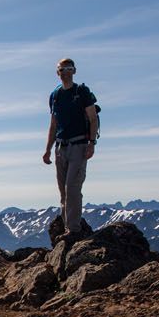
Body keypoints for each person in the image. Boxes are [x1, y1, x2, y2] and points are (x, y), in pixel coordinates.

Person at [42, 58, 99, 240]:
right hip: (61, 147)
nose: (65, 72)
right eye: (62, 69)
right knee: (63, 191)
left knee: (73, 188)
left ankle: (73, 230)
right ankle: (68, 228)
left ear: (74, 71)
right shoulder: (55, 95)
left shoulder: (81, 92)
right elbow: (53, 125)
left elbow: (92, 119)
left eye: (68, 68)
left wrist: (91, 143)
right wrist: (48, 149)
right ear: (57, 72)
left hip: (79, 145)